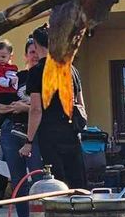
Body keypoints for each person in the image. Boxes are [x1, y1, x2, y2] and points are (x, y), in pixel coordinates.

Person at [21, 25, 87, 190]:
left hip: (50, 133)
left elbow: (36, 109)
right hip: (72, 131)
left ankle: (62, 214)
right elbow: (81, 104)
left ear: (36, 46)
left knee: (57, 182)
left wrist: (28, 141)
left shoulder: (37, 71)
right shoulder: (71, 69)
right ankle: (83, 212)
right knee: (77, 179)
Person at [0, 37, 43, 217]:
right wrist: (10, 108)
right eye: (31, 52)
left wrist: (26, 107)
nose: (35, 55)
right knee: (18, 179)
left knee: (38, 178)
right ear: (25, 56)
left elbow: (46, 108)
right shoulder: (18, 76)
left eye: (37, 52)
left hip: (36, 133)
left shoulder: (46, 77)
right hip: (11, 130)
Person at [0, 40, 19, 139]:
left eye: (3, 57)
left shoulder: (12, 67)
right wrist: (9, 82)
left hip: (10, 91)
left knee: (6, 110)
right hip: (3, 93)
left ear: (10, 56)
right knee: (13, 106)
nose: (0, 59)